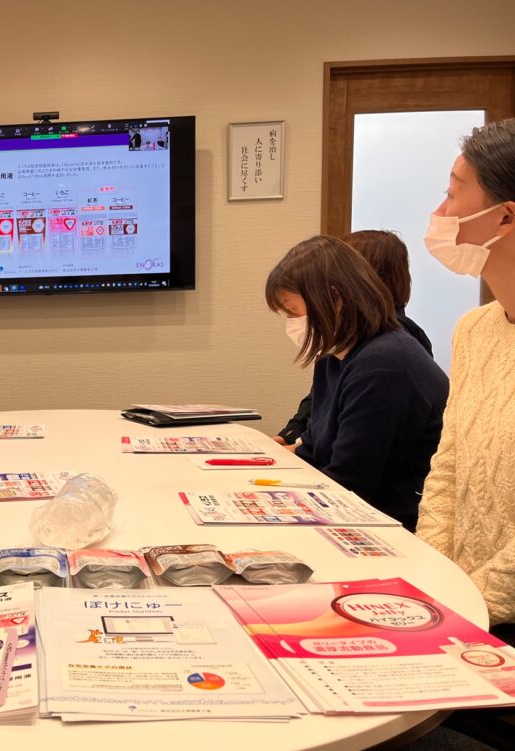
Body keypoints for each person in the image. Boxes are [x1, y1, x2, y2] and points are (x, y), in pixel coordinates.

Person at [265, 235, 448, 531]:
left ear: (335, 300)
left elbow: (350, 485)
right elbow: (311, 450)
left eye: (293, 311)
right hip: (348, 510)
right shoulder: (334, 354)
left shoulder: (385, 364)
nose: (291, 322)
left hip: (391, 526)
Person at [416, 118, 515, 636]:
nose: (440, 213)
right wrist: (433, 583)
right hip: (457, 609)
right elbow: (447, 465)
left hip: (490, 619)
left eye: (454, 193)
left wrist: (466, 609)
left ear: (504, 218)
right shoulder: (475, 329)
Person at [276, 230, 433, 444]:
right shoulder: (339, 343)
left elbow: (354, 461)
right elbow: (318, 404)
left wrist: (300, 444)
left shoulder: (387, 349)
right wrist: (293, 434)